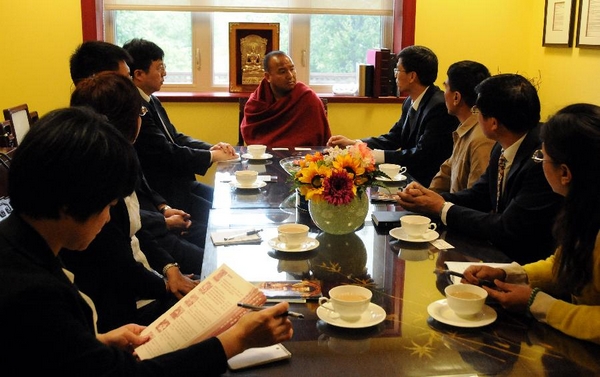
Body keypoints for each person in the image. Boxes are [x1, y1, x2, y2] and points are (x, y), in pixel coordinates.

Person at [0, 107, 293, 375]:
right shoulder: (33, 294)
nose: (107, 218)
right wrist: (236, 339)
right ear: (67, 203)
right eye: (108, 205)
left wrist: (96, 342)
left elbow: (45, 351)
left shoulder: (18, 243)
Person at [63, 72, 200, 331]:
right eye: (139, 113)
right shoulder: (95, 181)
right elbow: (118, 266)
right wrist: (166, 286)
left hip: (149, 281)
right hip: (128, 308)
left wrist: (170, 269)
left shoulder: (121, 160)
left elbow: (134, 231)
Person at [460, 103, 600, 345]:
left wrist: (536, 302)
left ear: (565, 173)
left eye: (541, 157)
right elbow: (566, 262)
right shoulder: (584, 205)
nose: (539, 161)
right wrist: (508, 273)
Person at [69, 40, 205, 276]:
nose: (130, 85)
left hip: (154, 224)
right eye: (123, 78)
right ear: (93, 81)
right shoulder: (88, 154)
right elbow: (121, 237)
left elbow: (133, 218)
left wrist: (163, 210)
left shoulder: (119, 132)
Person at [397, 74, 563, 264]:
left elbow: (507, 227)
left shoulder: (541, 160)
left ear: (493, 123)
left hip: (527, 264)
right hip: (502, 252)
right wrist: (431, 199)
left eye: (477, 110)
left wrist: (442, 208)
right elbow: (479, 195)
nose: (475, 115)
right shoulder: (501, 144)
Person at [123, 38, 236, 238]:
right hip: (166, 190)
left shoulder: (152, 100)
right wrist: (212, 157)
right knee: (219, 223)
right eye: (159, 68)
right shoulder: (134, 107)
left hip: (181, 181)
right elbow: (167, 152)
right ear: (139, 74)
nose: (164, 73)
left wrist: (211, 148)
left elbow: (175, 137)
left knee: (226, 203)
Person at [327, 45, 459, 186]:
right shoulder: (410, 101)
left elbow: (421, 155)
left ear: (412, 76)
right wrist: (356, 144)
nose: (394, 75)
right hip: (410, 176)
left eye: (397, 70)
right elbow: (394, 137)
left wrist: (372, 155)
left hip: (428, 183)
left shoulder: (438, 107)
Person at [428, 60, 495, 193]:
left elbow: (476, 198)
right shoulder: (465, 127)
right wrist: (422, 196)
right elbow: (446, 172)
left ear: (456, 97)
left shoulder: (482, 139)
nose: (443, 93)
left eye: (446, 88)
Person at [240, 50, 331, 147]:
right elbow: (252, 137)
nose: (290, 76)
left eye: (292, 69)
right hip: (265, 158)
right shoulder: (257, 102)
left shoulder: (307, 98)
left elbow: (318, 140)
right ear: (268, 77)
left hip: (301, 158)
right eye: (282, 72)